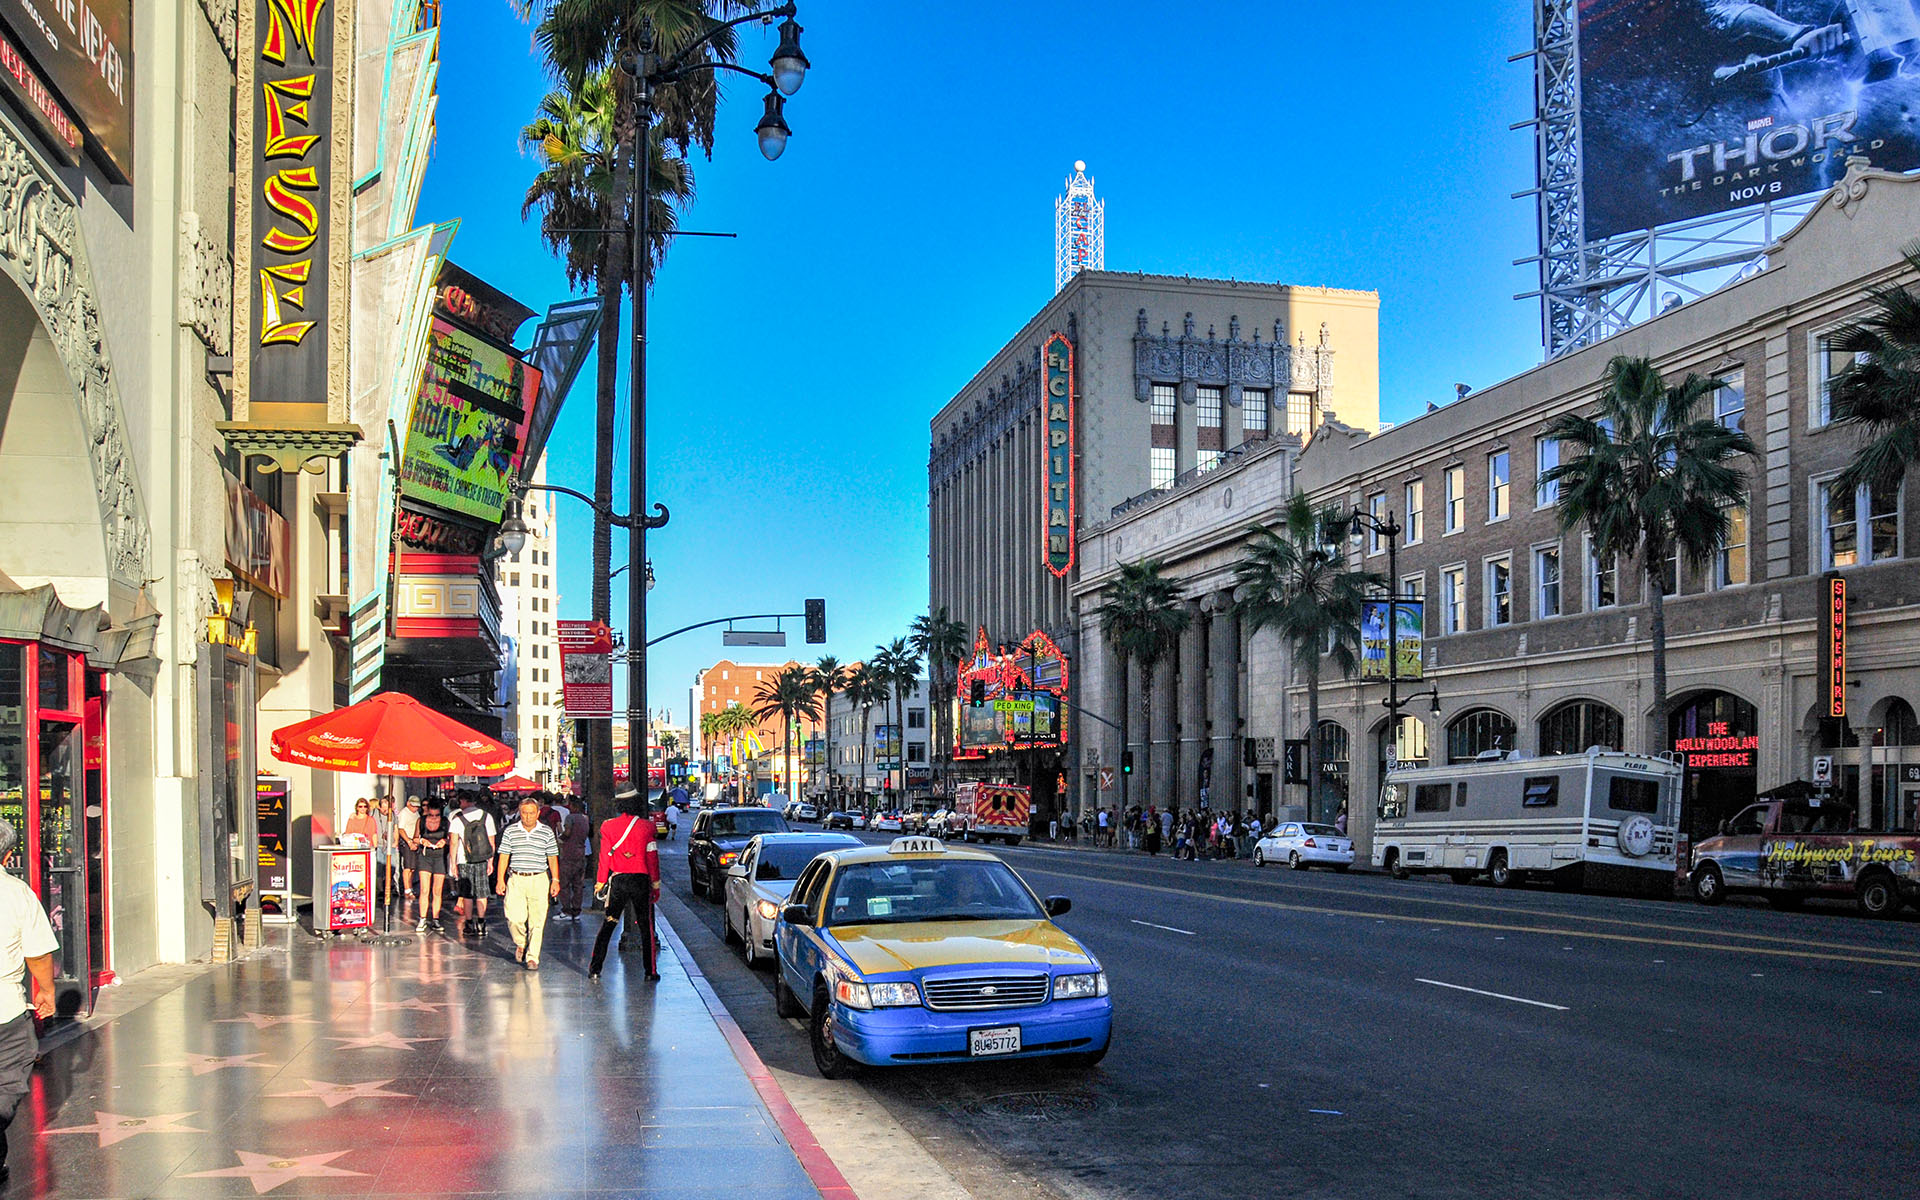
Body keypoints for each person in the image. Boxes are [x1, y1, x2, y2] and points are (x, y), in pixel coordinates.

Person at [0, 822, 55, 1187]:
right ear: (8, 856)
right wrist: (46, 990)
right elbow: (37, 953)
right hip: (5, 1011)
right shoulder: (17, 893)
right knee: (6, 1086)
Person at [588, 788, 662, 982]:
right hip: (640, 881)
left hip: (619, 880)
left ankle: (595, 968)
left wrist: (600, 881)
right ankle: (650, 971)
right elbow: (652, 859)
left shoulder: (608, 827)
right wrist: (655, 884)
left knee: (609, 924)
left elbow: (604, 857)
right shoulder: (647, 827)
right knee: (646, 927)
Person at [495, 798, 561, 970]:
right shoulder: (511, 831)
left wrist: (555, 879)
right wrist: (500, 879)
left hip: (539, 878)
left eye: (532, 813)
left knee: (537, 920)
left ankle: (533, 957)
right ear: (520, 812)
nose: (528, 816)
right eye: (524, 813)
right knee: (513, 917)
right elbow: (504, 856)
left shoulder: (546, 832)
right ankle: (521, 942)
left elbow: (552, 857)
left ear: (538, 813)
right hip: (516, 878)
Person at [449, 792, 499, 938]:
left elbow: (453, 843)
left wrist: (453, 863)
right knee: (482, 892)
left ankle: (469, 923)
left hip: (464, 860)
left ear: (463, 801)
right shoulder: (486, 816)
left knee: (467, 893)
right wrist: (490, 861)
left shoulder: (457, 819)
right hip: (482, 859)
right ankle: (482, 923)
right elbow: (492, 842)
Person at [413, 806, 451, 933]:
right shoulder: (421, 821)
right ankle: (422, 918)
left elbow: (452, 839)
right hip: (425, 856)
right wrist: (422, 840)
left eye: (437, 815)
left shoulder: (445, 822)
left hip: (440, 857)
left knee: (437, 891)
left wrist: (444, 841)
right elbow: (415, 838)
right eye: (431, 815)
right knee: (424, 889)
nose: (434, 818)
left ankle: (436, 919)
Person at [556, 800, 590, 919]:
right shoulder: (585, 819)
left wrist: (560, 839)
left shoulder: (570, 818)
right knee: (578, 884)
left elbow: (567, 832)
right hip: (580, 853)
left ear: (574, 807)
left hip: (569, 853)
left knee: (565, 883)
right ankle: (576, 910)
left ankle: (566, 910)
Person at [396, 796, 422, 911]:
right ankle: (407, 889)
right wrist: (409, 841)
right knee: (407, 866)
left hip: (414, 841)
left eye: (417, 806)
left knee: (412, 867)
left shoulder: (416, 814)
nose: (415, 808)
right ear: (408, 803)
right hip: (407, 842)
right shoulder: (404, 813)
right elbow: (401, 829)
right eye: (413, 806)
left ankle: (410, 887)